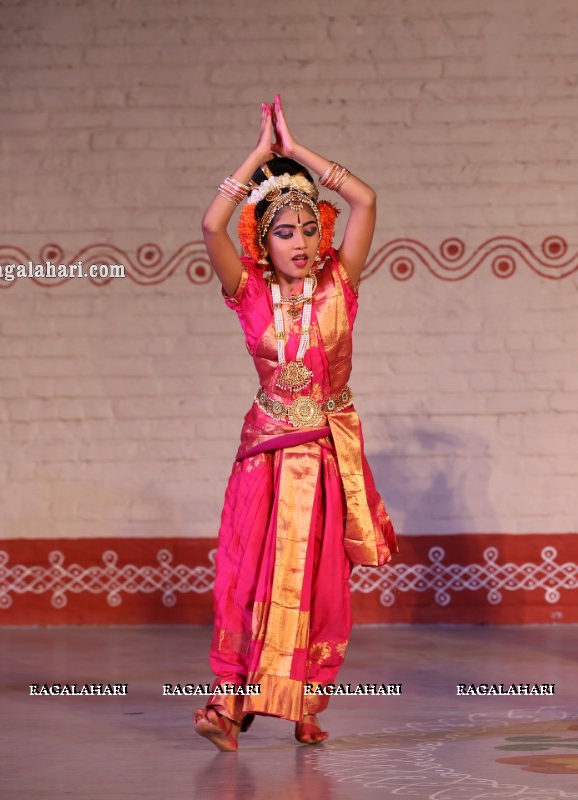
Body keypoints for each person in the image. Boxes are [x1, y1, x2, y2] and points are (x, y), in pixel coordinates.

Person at [194, 95, 397, 752]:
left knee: (320, 585)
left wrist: (298, 152)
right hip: (267, 457)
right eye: (285, 232)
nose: (302, 243)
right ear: (262, 240)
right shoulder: (248, 291)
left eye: (310, 229)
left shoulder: (342, 280)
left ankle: (305, 703)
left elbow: (367, 200)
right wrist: (259, 160)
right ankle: (227, 704)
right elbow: (209, 226)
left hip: (324, 454)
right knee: (245, 576)